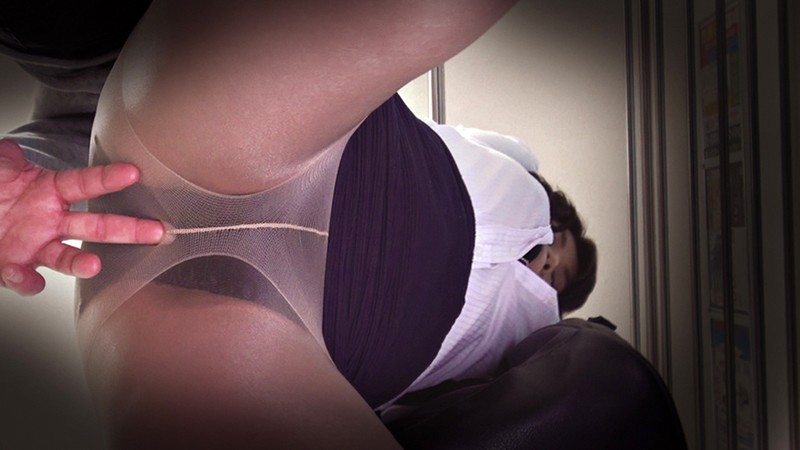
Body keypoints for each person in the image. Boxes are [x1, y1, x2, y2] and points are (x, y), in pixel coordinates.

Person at [0, 1, 604, 447]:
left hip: (250, 340)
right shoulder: (521, 167)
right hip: (268, 132)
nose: (551, 262)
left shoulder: (535, 345)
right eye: (561, 244)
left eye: (558, 278)